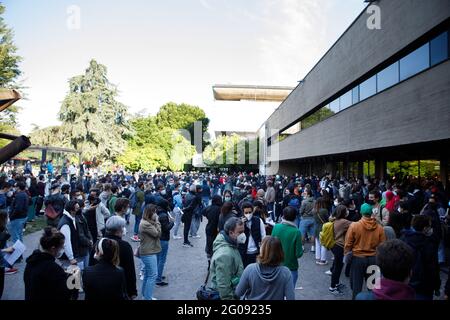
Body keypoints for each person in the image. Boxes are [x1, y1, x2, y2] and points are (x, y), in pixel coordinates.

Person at [344, 203, 386, 299]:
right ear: (371, 213)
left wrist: (347, 254)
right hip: (373, 259)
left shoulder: (354, 226)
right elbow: (383, 245)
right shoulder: (380, 228)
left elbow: (348, 244)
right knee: (373, 288)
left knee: (356, 288)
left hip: (358, 259)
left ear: (361, 212)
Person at [235, 236, 295, 300]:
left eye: (261, 245)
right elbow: (290, 297)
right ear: (280, 251)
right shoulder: (285, 273)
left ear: (262, 250)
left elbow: (238, 293)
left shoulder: (250, 269)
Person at [23, 227, 72, 300]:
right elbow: (64, 294)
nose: (62, 250)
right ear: (53, 248)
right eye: (61, 247)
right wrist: (72, 278)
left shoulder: (32, 261)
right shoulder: (52, 268)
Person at [401, 215, 440, 300]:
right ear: (425, 228)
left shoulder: (403, 239)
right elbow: (434, 267)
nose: (430, 228)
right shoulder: (429, 244)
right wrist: (436, 286)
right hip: (424, 287)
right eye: (429, 226)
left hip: (405, 283)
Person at [210, 217, 245, 300]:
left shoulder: (230, 243)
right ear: (231, 233)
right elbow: (223, 285)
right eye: (240, 232)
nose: (243, 234)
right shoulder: (225, 255)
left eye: (243, 231)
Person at [103, 216, 137, 299]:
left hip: (101, 285)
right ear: (118, 230)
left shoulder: (99, 243)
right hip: (120, 286)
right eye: (123, 227)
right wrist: (132, 291)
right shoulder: (125, 246)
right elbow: (130, 270)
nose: (124, 229)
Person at [271, 206, 303, 288]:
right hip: (291, 267)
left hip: (275, 265)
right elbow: (298, 254)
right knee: (289, 292)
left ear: (283, 216)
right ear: (295, 217)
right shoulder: (296, 232)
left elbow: (270, 245)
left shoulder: (276, 227)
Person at [139, 204, 161, 300]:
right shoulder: (146, 224)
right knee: (153, 275)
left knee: (148, 274)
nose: (156, 214)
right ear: (150, 213)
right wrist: (157, 221)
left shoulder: (146, 222)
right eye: (154, 212)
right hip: (148, 252)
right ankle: (147, 297)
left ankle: (145, 295)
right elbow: (157, 233)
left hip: (148, 250)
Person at [329, 205, 352, 295]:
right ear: (343, 212)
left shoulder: (333, 219)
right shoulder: (344, 222)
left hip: (334, 245)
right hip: (340, 246)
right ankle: (332, 287)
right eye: (346, 210)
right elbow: (356, 225)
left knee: (336, 264)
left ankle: (336, 283)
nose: (347, 212)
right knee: (338, 267)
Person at [239, 202, 266, 268]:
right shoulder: (239, 222)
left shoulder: (258, 220)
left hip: (256, 251)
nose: (248, 214)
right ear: (243, 213)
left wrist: (262, 250)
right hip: (245, 252)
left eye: (250, 212)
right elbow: (237, 238)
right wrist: (241, 224)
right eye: (246, 213)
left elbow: (263, 235)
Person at [155, 199, 174, 286]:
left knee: (158, 258)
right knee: (162, 259)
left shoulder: (158, 212)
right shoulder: (163, 215)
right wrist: (172, 222)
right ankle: (158, 279)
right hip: (163, 239)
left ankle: (157, 275)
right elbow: (166, 228)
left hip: (159, 238)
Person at [204, 195, 223, 260]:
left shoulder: (209, 208)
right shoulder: (221, 209)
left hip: (209, 228)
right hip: (218, 230)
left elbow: (204, 212)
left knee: (209, 245)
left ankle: (209, 260)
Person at [312, 197, 330, 265]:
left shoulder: (314, 210)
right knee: (323, 244)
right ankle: (323, 260)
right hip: (323, 228)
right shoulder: (324, 210)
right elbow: (327, 219)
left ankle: (318, 257)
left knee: (318, 244)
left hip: (316, 227)